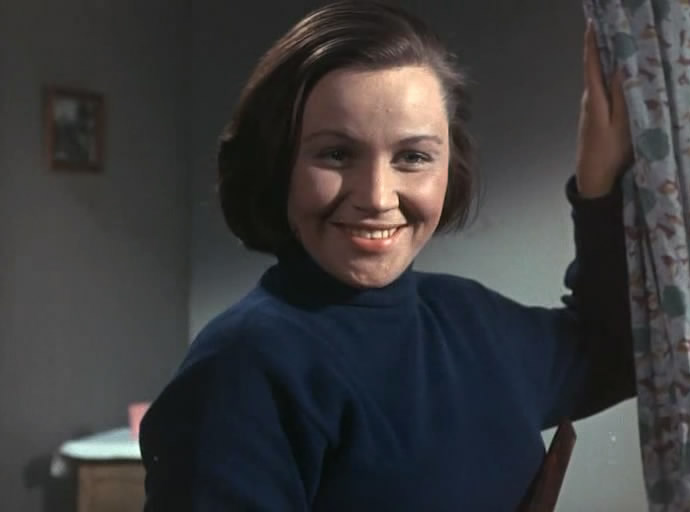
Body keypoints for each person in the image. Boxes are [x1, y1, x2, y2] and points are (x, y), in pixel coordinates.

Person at [139, 1, 635, 510]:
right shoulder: (241, 367)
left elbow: (624, 349)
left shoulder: (472, 320)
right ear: (279, 163)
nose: (377, 197)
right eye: (336, 154)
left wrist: (597, 187)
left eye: (412, 157)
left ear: (450, 167)